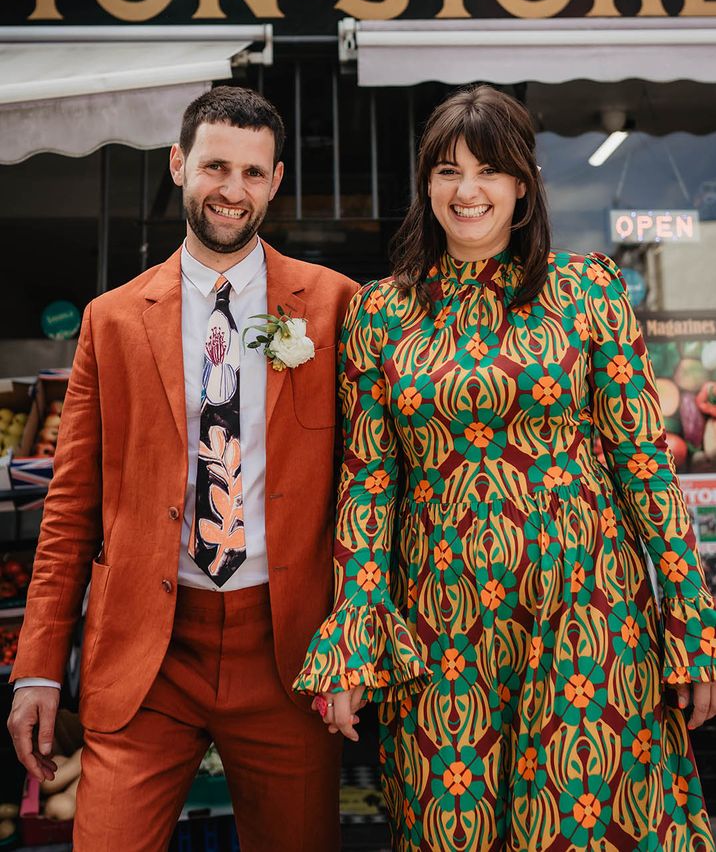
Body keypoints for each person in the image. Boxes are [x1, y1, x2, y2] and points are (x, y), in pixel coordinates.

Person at [296, 84, 716, 851]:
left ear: (522, 183)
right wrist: (353, 638)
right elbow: (369, 482)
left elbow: (644, 467)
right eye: (448, 171)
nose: (468, 191)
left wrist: (690, 624)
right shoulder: (379, 312)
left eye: (489, 170)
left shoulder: (587, 291)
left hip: (588, 616)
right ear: (426, 184)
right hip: (439, 627)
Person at [8, 85, 358, 852]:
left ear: (276, 180)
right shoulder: (111, 318)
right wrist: (37, 669)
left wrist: (357, 640)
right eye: (215, 166)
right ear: (178, 164)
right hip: (147, 652)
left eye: (254, 173)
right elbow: (69, 508)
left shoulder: (336, 307)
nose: (233, 190)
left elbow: (372, 487)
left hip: (289, 651)